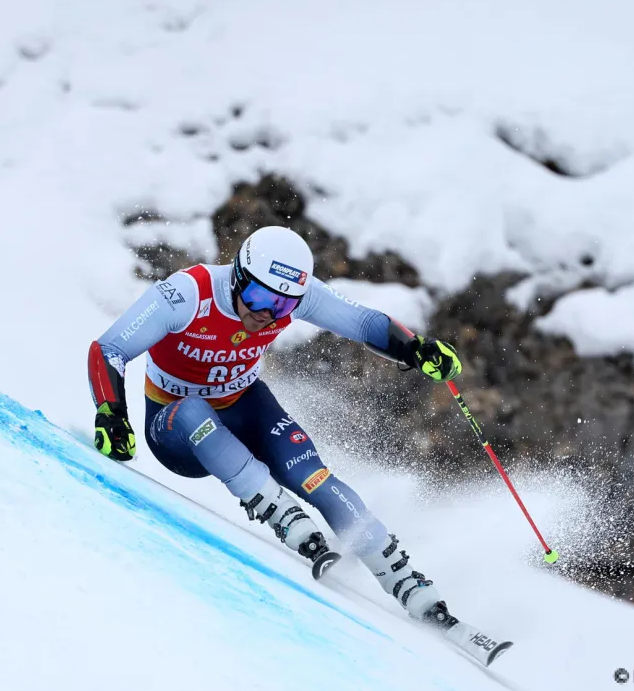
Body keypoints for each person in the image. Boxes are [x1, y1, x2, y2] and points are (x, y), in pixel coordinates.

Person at [87, 226, 465, 628]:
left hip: (246, 407)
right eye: (259, 297)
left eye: (283, 306)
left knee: (312, 475)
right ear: (238, 276)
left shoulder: (294, 297)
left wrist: (414, 348)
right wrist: (112, 414)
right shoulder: (187, 294)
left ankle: (408, 584)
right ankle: (280, 512)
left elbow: (365, 324)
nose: (266, 313)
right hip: (176, 429)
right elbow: (108, 348)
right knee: (195, 408)